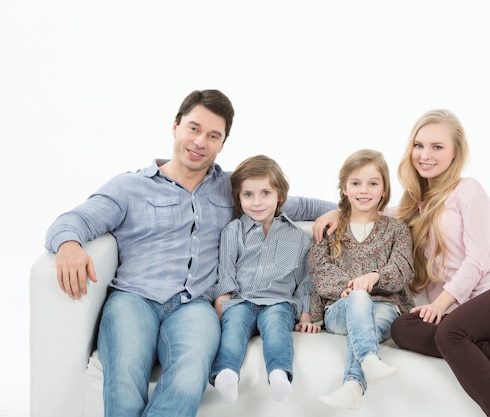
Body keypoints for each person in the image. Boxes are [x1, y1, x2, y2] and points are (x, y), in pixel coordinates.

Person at [44, 89, 336, 417]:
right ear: (175, 126)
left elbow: (296, 204)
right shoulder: (131, 187)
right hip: (133, 298)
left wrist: (343, 212)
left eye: (213, 136)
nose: (200, 142)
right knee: (124, 378)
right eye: (194, 129)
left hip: (195, 305)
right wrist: (69, 244)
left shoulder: (234, 189)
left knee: (190, 374)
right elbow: (73, 220)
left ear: (222, 144)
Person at [355, 109, 490, 417]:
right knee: (402, 328)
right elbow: (370, 211)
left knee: (449, 333)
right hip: (467, 315)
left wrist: (441, 304)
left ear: (455, 152)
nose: (425, 155)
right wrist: (335, 212)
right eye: (419, 145)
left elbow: (479, 258)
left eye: (437, 147)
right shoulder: (414, 206)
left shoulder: (468, 191)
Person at [308, 149, 415, 411]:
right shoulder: (330, 228)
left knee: (371, 317)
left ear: (384, 189)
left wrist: (375, 276)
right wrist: (354, 288)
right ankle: (369, 359)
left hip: (384, 309)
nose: (364, 190)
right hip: (340, 310)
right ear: (344, 188)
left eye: (373, 183)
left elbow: (403, 268)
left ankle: (353, 385)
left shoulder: (396, 229)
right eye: (356, 183)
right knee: (358, 298)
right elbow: (320, 272)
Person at [210, 155, 321, 404]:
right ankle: (226, 372)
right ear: (238, 197)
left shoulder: (298, 237)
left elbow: (304, 281)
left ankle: (279, 373)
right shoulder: (233, 231)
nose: (256, 202)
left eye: (265, 193)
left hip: (278, 301)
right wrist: (221, 305)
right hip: (241, 300)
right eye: (248, 194)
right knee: (234, 329)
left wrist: (305, 316)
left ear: (280, 195)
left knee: (277, 329)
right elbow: (225, 272)